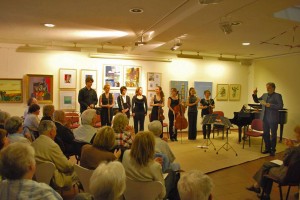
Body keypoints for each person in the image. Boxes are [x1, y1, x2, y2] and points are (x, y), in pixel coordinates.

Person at [246, 125, 300, 200]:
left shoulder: (296, 150)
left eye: (296, 134)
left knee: (267, 169)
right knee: (267, 164)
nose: (294, 135)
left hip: (288, 175)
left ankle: (261, 190)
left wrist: (289, 148)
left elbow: (285, 161)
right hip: (296, 174)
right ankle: (260, 189)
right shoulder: (296, 148)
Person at [32, 120, 77, 188]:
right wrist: (75, 167)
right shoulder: (52, 145)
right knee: (79, 172)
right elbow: (65, 166)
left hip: (35, 178)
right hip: (53, 180)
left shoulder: (33, 143)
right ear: (52, 132)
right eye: (56, 130)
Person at [122, 131, 166, 199]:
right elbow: (162, 194)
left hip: (130, 195)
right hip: (150, 197)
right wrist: (154, 164)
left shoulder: (126, 154)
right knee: (172, 173)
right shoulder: (155, 167)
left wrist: (153, 162)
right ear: (151, 147)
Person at [252, 82, 283, 156]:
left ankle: (273, 150)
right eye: (266, 87)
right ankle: (267, 148)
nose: (267, 89)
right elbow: (257, 101)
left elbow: (280, 106)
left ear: (273, 88)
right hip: (264, 118)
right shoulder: (264, 95)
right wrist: (255, 94)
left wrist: (271, 105)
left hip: (273, 118)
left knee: (273, 135)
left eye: (268, 88)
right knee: (265, 134)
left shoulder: (277, 96)